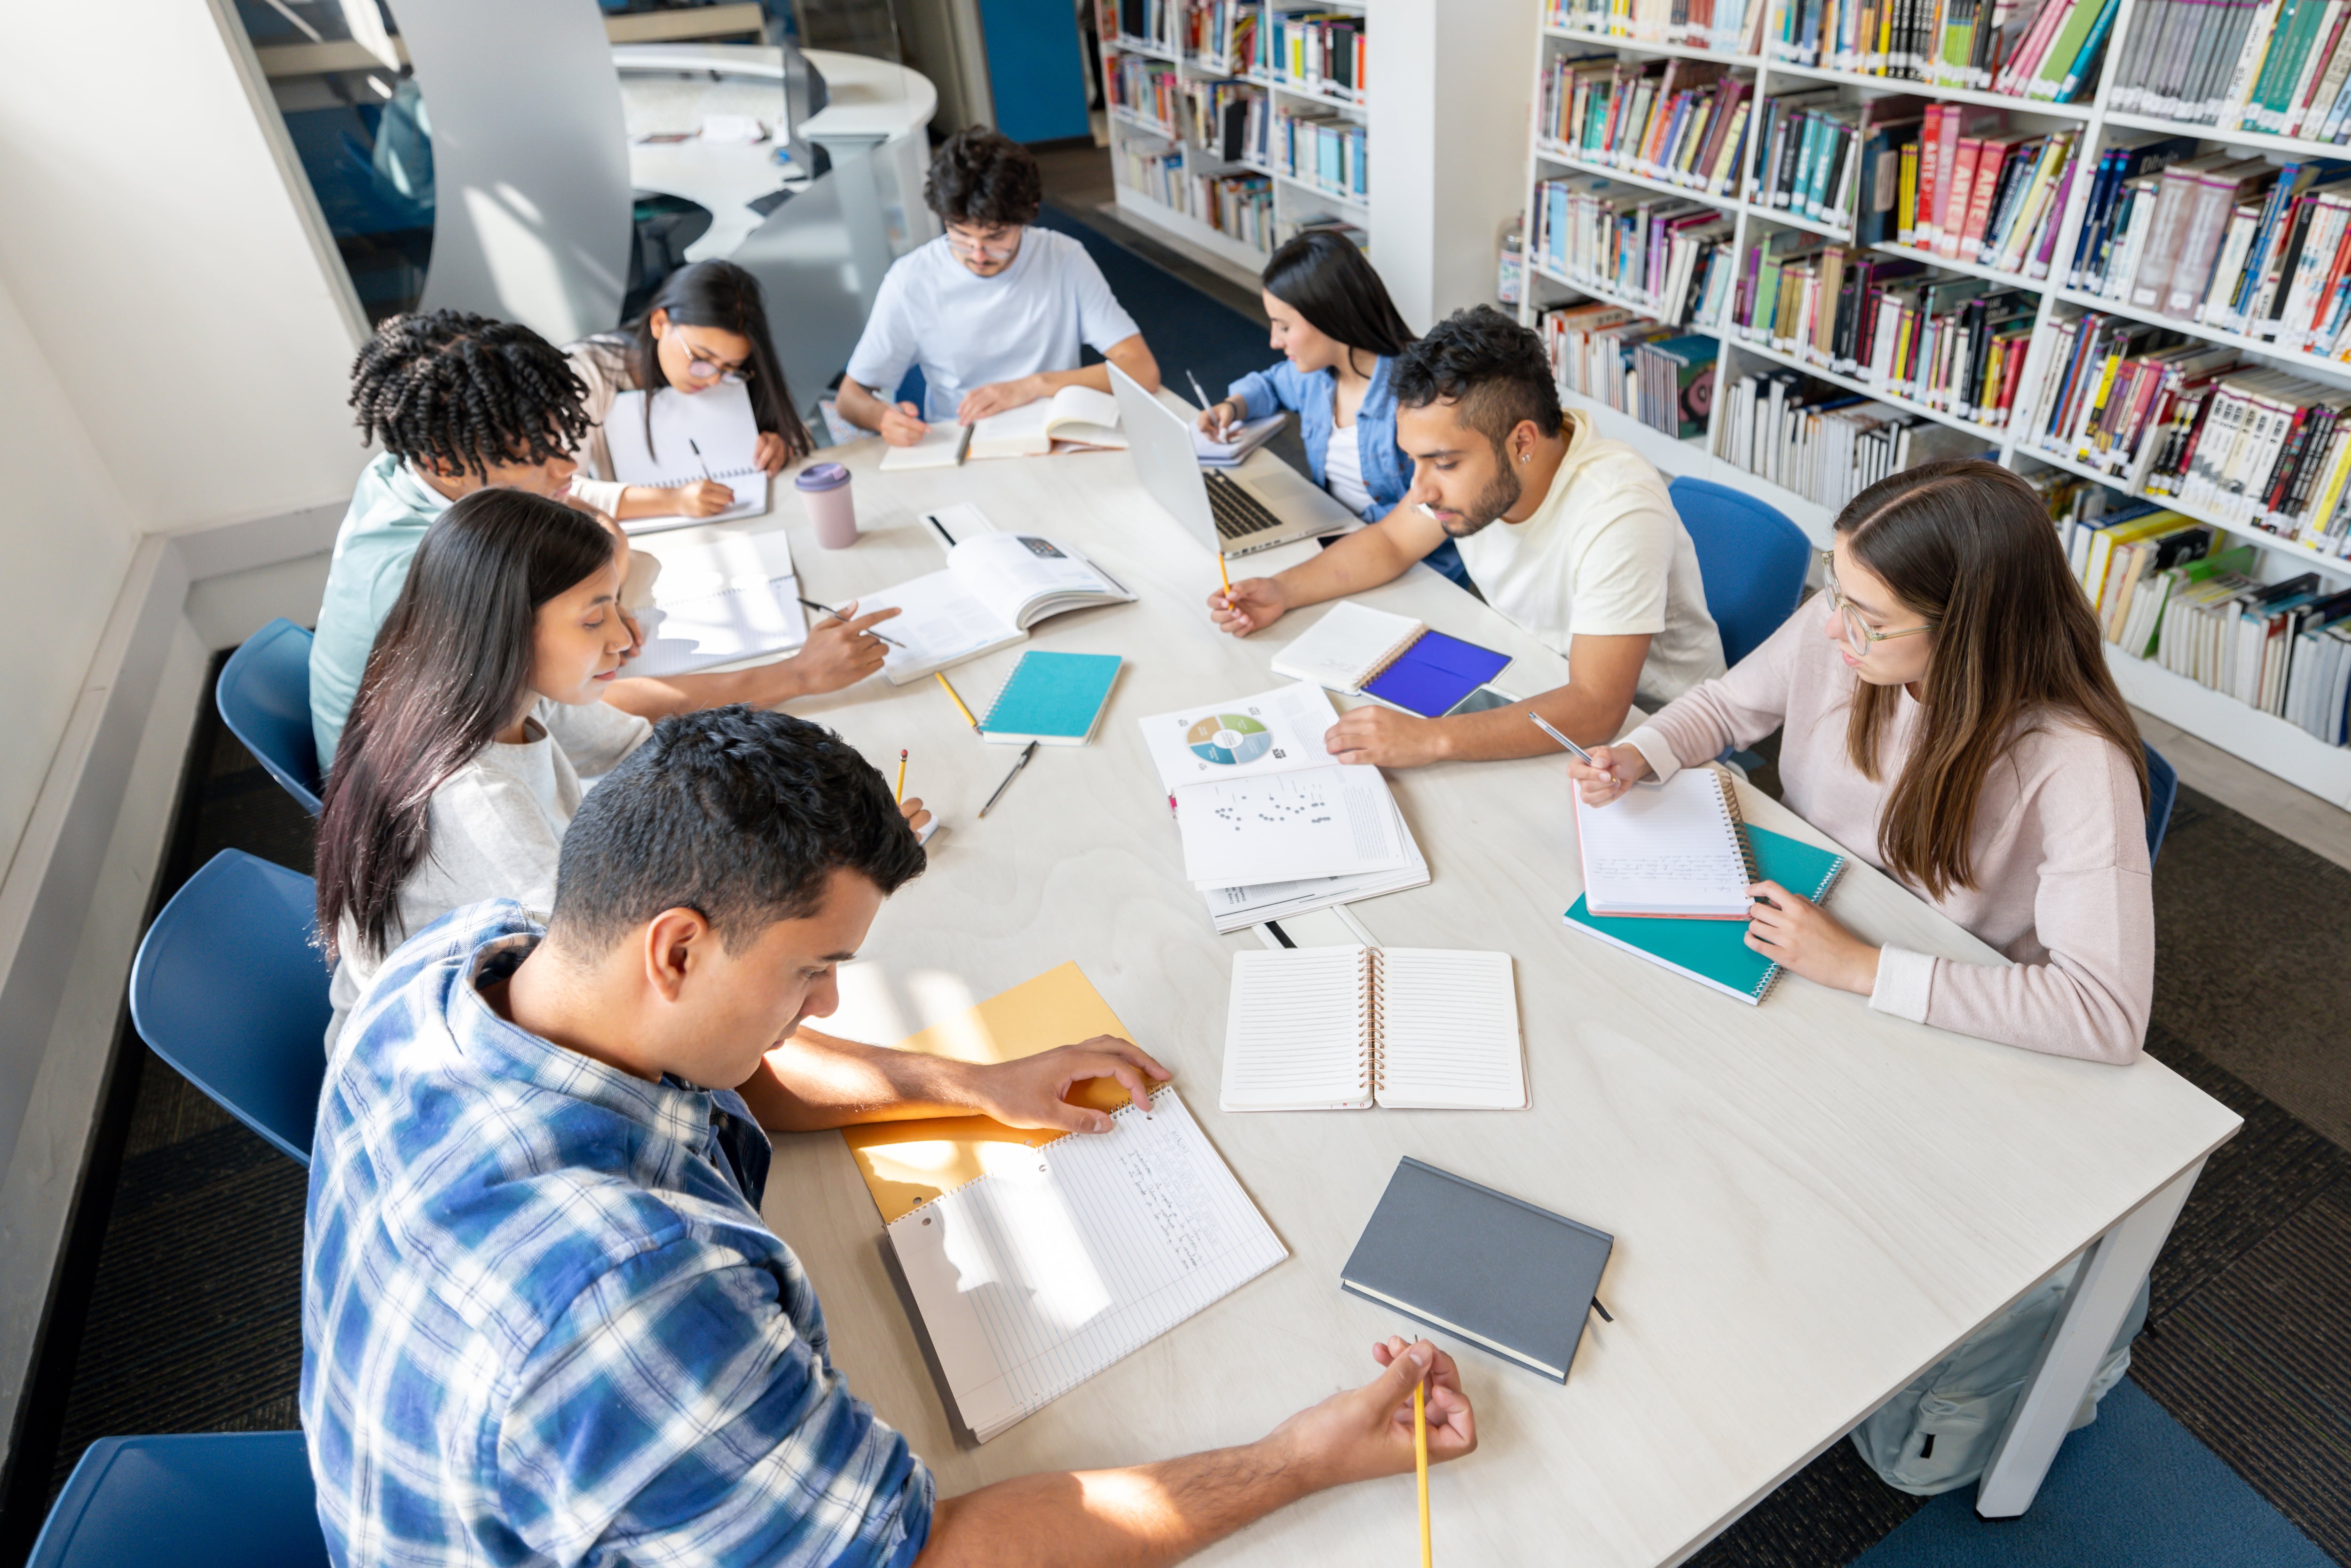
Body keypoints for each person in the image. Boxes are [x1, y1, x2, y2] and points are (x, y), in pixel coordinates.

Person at [303, 704, 1478, 1567]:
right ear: (674, 947)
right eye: (810, 971)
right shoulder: (624, 1299)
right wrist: (1295, 1461)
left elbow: (733, 1065)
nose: (820, 1008)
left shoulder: (474, 959)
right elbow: (924, 1558)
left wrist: (969, 1083)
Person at [1570, 460, 2154, 1064]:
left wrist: (1860, 967)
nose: (1829, 627)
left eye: (1868, 619)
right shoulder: (1849, 633)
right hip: (1810, 918)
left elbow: (2102, 1014)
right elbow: (1725, 707)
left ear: (1966, 631)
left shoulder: (2081, 766)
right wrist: (1643, 751)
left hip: (1943, 1001)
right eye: (1836, 591)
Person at [314, 490, 927, 1050]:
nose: (628, 639)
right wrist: (815, 874)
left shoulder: (502, 692)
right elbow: (618, 987)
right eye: (594, 617)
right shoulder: (480, 800)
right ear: (505, 627)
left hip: (529, 981)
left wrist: (836, 837)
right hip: (435, 1052)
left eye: (618, 605)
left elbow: (647, 748)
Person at [310, 310, 893, 765]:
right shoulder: (442, 574)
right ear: (446, 456)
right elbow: (591, 731)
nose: (567, 468)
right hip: (427, 816)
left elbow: (599, 532)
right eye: (535, 456)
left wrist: (598, 598)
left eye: (561, 439)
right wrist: (796, 676)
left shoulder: (405, 472)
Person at [1208, 305, 1725, 769]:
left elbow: (1596, 705)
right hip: (1533, 676)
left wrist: (1431, 740)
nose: (1419, 490)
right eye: (1414, 458)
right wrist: (1282, 589)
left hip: (1653, 741)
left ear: (1521, 440)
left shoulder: (1617, 507)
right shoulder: (1474, 471)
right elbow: (1390, 543)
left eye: (1444, 463)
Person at [836, 127, 1162, 443]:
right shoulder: (911, 280)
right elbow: (851, 398)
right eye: (961, 236)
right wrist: (883, 419)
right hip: (963, 442)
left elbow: (1142, 369)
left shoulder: (1064, 259)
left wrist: (1032, 386)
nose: (978, 255)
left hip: (1054, 438)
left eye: (996, 238)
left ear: (1029, 215)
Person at [1197, 229, 1468, 589]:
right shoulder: (1315, 377)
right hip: (1336, 541)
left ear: (1330, 316)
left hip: (1412, 572)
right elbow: (1270, 383)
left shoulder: (1421, 397)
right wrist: (1234, 405)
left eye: (1284, 326)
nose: (1274, 341)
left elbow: (1413, 530)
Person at [565, 259, 817, 523]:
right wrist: (672, 500)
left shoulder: (735, 374)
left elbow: (800, 435)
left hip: (745, 518)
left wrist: (783, 445)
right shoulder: (585, 371)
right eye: (700, 359)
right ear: (660, 323)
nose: (712, 380)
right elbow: (553, 490)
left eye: (731, 368)